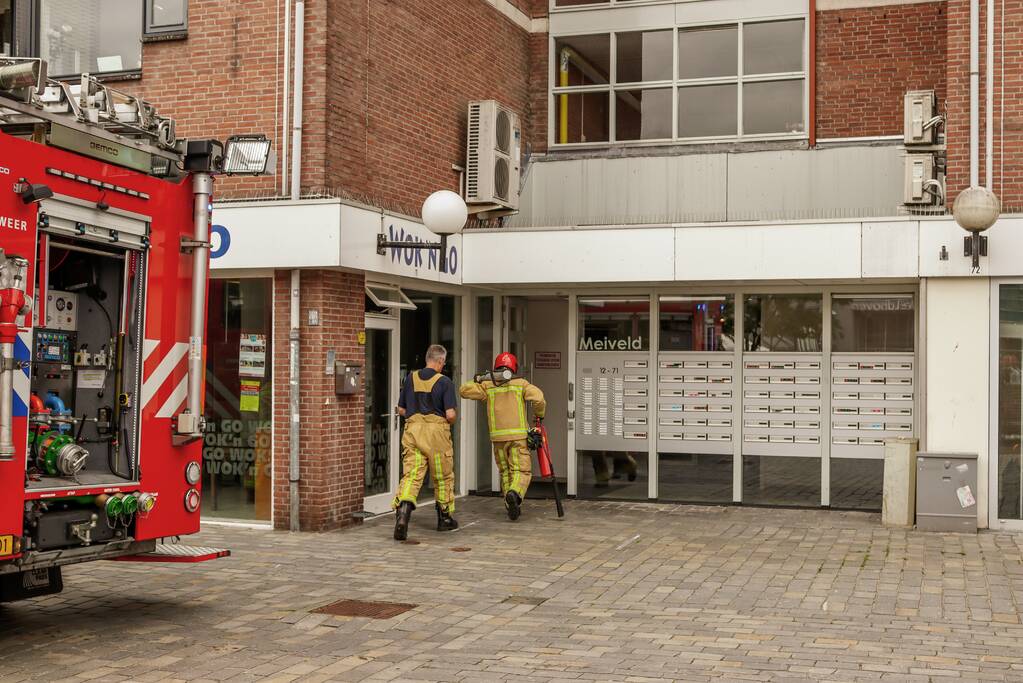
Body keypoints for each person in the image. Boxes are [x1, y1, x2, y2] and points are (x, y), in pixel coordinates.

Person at [460, 352, 546, 521]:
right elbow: (539, 398)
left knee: (505, 471)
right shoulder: (521, 384)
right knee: (521, 470)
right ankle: (515, 493)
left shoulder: (488, 386)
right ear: (514, 367)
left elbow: (463, 390)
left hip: (497, 439)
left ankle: (510, 505)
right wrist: (539, 416)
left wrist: (481, 378)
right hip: (518, 438)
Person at [392, 344, 458, 541]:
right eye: (443, 362)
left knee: (411, 475)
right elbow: (450, 414)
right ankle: (444, 519)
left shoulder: (410, 378)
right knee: (442, 475)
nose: (443, 365)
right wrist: (449, 421)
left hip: (412, 430)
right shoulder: (445, 382)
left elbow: (401, 409)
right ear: (439, 361)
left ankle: (402, 515)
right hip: (436, 433)